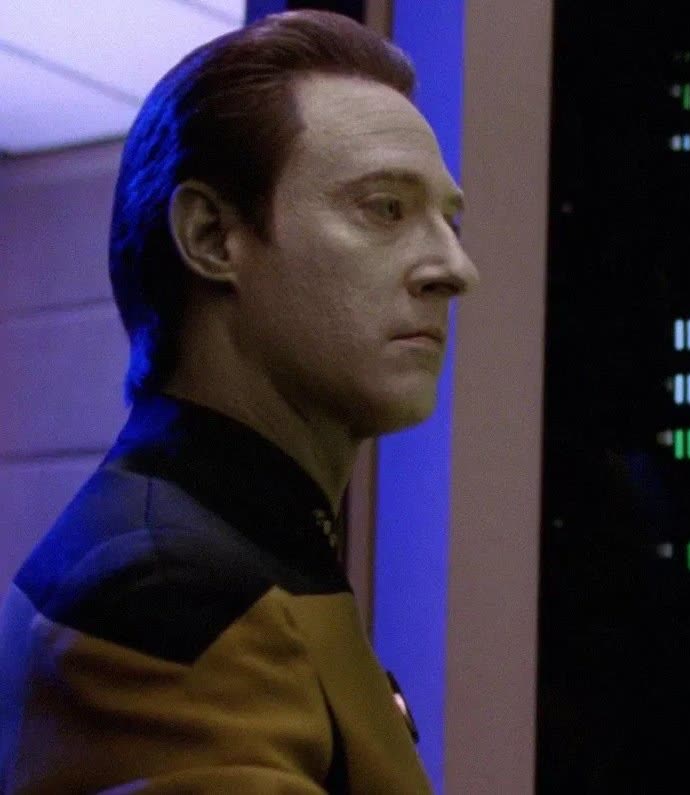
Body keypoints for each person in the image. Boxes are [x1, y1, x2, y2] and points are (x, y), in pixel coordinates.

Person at [0, 9, 476, 793]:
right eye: (385, 208)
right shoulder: (168, 593)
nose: (454, 268)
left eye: (449, 221)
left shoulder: (239, 549)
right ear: (212, 236)